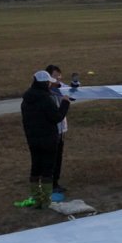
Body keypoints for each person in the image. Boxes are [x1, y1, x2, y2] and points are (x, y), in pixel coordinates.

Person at [17, 70, 70, 209]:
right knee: (47, 169)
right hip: (48, 139)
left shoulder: (26, 99)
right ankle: (46, 200)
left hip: (32, 139)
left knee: (35, 167)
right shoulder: (46, 99)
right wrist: (65, 103)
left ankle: (36, 197)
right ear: (46, 83)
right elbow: (57, 117)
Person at [45, 64, 69, 201]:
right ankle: (49, 184)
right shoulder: (45, 91)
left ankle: (55, 183)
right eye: (55, 76)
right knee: (51, 158)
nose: (58, 79)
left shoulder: (61, 87)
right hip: (51, 130)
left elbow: (72, 95)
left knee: (58, 157)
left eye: (59, 76)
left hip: (61, 129)